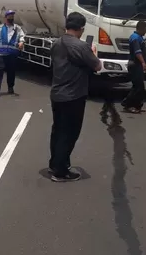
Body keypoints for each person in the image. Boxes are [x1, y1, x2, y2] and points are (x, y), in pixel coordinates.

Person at [48, 11, 101, 182]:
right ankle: (61, 171)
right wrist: (93, 51)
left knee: (58, 130)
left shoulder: (56, 43)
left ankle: (55, 163)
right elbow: (97, 66)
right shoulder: (81, 46)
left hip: (57, 93)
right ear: (81, 28)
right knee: (70, 133)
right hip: (73, 95)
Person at [0, 9, 25, 97]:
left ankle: (10, 87)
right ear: (6, 17)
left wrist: (21, 42)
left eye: (12, 16)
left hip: (12, 54)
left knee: (11, 72)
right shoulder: (0, 28)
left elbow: (22, 36)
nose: (11, 17)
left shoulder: (17, 28)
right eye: (9, 16)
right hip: (1, 53)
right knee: (0, 71)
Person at [122, 20, 146, 114]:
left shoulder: (139, 37)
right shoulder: (135, 38)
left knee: (139, 87)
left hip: (137, 65)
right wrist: (143, 63)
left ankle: (137, 105)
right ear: (142, 28)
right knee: (138, 87)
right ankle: (128, 104)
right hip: (135, 64)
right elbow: (138, 52)